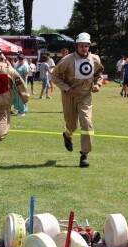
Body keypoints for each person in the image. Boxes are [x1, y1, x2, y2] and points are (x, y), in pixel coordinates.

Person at [51, 32, 104, 168]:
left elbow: (99, 73)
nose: (84, 49)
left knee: (86, 123)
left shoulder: (95, 59)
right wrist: (67, 88)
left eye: (87, 46)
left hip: (85, 96)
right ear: (76, 46)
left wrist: (98, 84)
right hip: (69, 96)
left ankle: (84, 155)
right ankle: (67, 135)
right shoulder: (67, 60)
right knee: (72, 126)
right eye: (82, 46)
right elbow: (55, 77)